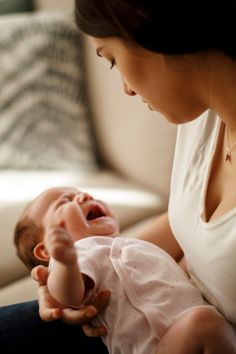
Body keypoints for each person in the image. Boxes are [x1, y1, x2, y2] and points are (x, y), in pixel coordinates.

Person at [0, 0, 236, 352]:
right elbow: (188, 226)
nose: (125, 88)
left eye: (110, 58)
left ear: (146, 28)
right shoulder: (201, 114)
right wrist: (65, 275)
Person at [14, 186, 219, 354]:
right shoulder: (81, 252)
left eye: (84, 193)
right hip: (153, 346)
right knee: (205, 323)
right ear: (46, 249)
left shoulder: (131, 247)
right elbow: (69, 296)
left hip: (180, 336)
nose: (84, 195)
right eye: (65, 202)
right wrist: (65, 263)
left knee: (208, 325)